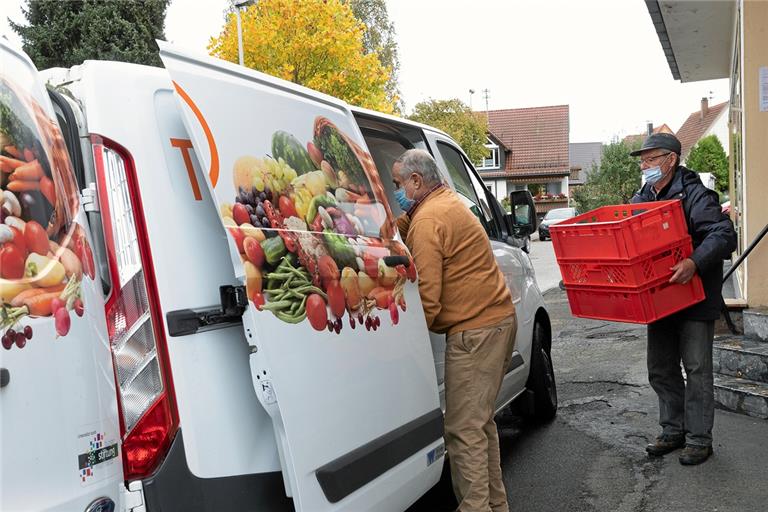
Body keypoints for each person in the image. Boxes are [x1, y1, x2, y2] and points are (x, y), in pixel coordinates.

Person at [392, 149, 516, 512]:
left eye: (398, 184)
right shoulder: (445, 202)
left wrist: (397, 341)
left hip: (474, 334)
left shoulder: (429, 221)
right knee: (481, 425)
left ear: (416, 181)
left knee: (463, 432)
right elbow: (411, 224)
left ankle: (476, 508)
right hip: (496, 322)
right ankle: (495, 506)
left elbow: (427, 300)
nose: (396, 190)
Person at [630, 133, 736, 465]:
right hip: (660, 299)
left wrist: (694, 262)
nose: (644, 166)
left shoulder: (695, 194)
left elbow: (724, 234)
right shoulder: (643, 195)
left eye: (651, 159)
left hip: (694, 297)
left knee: (697, 368)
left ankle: (699, 439)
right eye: (642, 161)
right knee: (660, 368)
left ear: (671, 160)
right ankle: (673, 430)